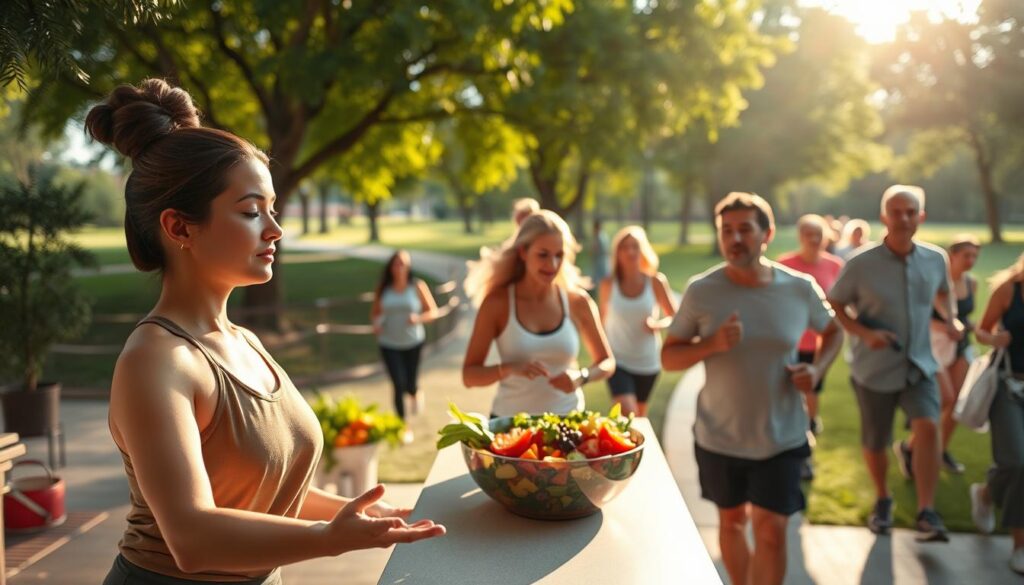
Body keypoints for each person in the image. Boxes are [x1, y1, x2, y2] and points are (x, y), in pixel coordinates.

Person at [88, 80, 443, 585]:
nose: (274, 229)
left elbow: (266, 491)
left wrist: (365, 516)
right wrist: (329, 538)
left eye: (272, 209)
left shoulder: (245, 342)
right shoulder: (156, 360)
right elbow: (192, 537)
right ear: (179, 227)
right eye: (252, 211)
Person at [662, 193, 842, 585]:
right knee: (731, 524)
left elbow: (833, 331)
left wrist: (816, 369)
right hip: (720, 436)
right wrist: (712, 344)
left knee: (772, 533)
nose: (735, 239)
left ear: (767, 234)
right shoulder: (702, 290)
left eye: (745, 229)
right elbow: (669, 357)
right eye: (726, 230)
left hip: (782, 435)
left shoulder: (799, 288)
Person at [827, 184, 960, 542]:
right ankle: (883, 499)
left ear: (921, 217)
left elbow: (945, 293)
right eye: (896, 212)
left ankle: (926, 512)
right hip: (874, 368)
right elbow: (835, 303)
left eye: (910, 212)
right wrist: (864, 333)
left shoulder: (935, 259)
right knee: (876, 441)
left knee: (929, 427)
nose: (903, 218)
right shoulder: (860, 263)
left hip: (921, 365)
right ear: (883, 216)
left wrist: (951, 319)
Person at [462, 210, 615, 417]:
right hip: (510, 425)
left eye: (559, 255)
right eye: (543, 255)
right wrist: (508, 368)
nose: (552, 265)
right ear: (523, 252)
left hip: (567, 422)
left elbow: (607, 362)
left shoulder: (577, 302)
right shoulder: (497, 303)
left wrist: (582, 376)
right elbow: (469, 376)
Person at [897, 235, 982, 477]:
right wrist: (948, 327)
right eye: (966, 255)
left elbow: (965, 317)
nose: (971, 261)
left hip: (960, 344)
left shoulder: (972, 283)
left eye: (975, 256)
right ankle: (910, 447)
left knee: (958, 403)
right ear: (951, 256)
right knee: (945, 398)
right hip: (933, 345)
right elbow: (920, 317)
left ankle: (940, 450)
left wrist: (972, 327)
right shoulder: (935, 280)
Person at [777, 214, 844, 481]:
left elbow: (839, 305)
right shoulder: (784, 264)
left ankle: (806, 448)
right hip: (788, 343)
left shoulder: (835, 266)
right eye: (808, 234)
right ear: (800, 237)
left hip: (816, 345)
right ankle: (787, 451)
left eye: (818, 235)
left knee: (811, 395)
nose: (813, 240)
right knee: (787, 398)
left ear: (825, 237)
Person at [969, 252, 1024, 575]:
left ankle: (987, 493)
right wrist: (994, 338)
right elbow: (981, 330)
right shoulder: (1009, 289)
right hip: (1007, 385)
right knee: (1016, 462)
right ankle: (1019, 546)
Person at [599, 226, 676, 417]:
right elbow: (600, 323)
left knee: (639, 418)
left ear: (643, 250)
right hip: (618, 361)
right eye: (625, 247)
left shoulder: (656, 282)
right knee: (628, 412)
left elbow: (676, 318)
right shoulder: (608, 284)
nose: (630, 252)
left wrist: (658, 325)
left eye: (635, 246)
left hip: (648, 362)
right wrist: (601, 357)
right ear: (617, 253)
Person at [371, 249, 439, 440]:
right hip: (388, 343)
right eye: (396, 263)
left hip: (413, 342)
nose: (399, 267)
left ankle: (415, 392)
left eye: (403, 263)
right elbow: (375, 313)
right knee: (398, 384)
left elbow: (433, 312)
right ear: (391, 267)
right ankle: (403, 427)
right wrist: (376, 324)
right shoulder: (384, 288)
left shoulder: (417, 286)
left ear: (408, 266)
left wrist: (418, 318)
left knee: (410, 384)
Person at [590, 217, 610, 289]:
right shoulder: (603, 235)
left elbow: (595, 248)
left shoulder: (598, 236)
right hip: (603, 258)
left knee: (600, 276)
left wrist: (592, 252)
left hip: (600, 259)